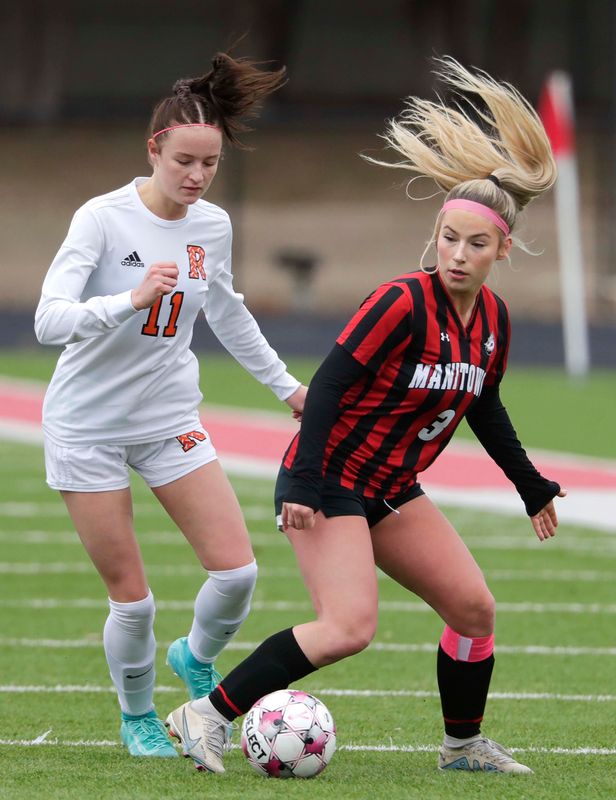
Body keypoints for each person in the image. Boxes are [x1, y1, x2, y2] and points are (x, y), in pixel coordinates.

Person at [166, 57, 566, 775]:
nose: (458, 254)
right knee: (349, 627)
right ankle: (206, 714)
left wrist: (530, 483)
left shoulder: (495, 322)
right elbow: (323, 391)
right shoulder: (401, 302)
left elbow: (485, 407)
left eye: (476, 244)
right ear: (435, 237)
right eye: (449, 238)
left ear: (501, 250)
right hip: (331, 479)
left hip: (390, 488)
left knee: (474, 611)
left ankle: (463, 745)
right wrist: (301, 487)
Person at [34, 52, 306, 759]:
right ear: (154, 148)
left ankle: (193, 656)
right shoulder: (101, 220)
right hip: (87, 427)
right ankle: (137, 716)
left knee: (238, 572)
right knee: (134, 599)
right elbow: (49, 320)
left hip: (168, 419)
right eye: (184, 160)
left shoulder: (211, 227)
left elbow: (230, 314)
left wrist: (287, 388)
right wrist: (128, 300)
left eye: (209, 164)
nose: (196, 176)